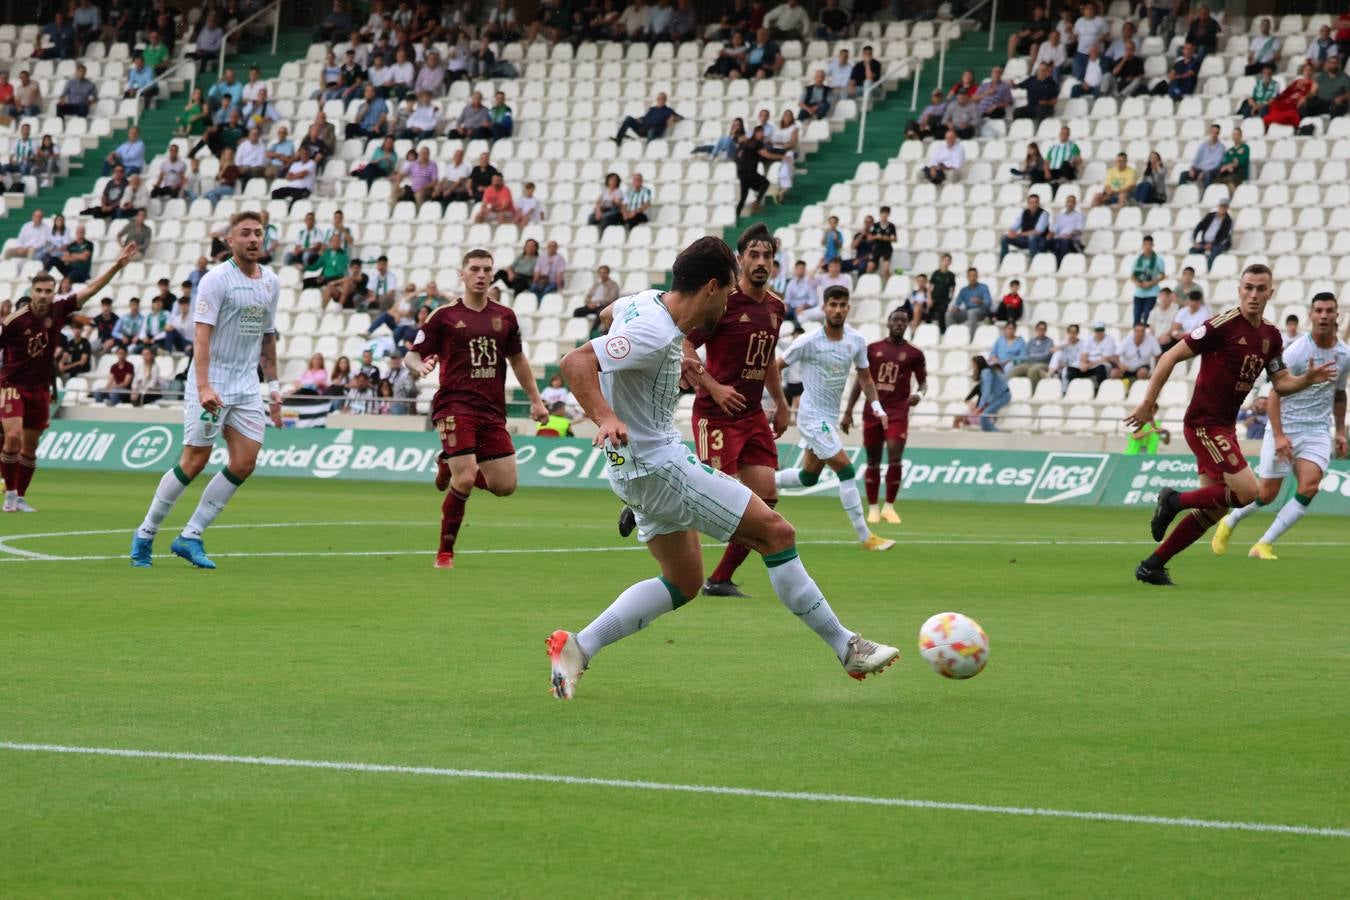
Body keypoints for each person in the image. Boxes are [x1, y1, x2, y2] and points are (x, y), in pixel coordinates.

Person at [545, 237, 900, 700]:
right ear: (711, 287)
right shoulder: (654, 328)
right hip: (660, 465)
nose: (730, 301)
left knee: (684, 580)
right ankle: (846, 645)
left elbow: (610, 315)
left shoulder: (645, 303)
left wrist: (671, 365)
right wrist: (607, 416)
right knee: (776, 533)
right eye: (728, 291)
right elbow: (576, 362)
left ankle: (577, 647)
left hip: (630, 470)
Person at [1126, 264, 1338, 586]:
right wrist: (1147, 403)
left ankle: (1153, 565)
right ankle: (1172, 500)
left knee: (1213, 510)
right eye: (1248, 287)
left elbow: (1281, 383)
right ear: (1239, 290)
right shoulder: (1220, 326)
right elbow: (1170, 357)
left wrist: (1306, 379)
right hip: (1202, 423)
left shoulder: (1271, 336)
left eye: (1260, 289)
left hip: (1223, 427)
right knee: (1248, 492)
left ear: (1271, 292)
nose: (1253, 295)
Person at [128, 213, 282, 568]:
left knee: (245, 462)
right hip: (211, 380)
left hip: (246, 384)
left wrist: (274, 388)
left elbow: (268, 336)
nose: (253, 239)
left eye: (258, 233)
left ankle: (190, 535)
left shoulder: (271, 282)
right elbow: (201, 337)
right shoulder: (216, 280)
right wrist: (203, 387)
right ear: (230, 240)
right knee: (194, 461)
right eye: (245, 233)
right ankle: (146, 533)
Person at [404, 249, 549, 569]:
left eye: (486, 269)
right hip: (454, 405)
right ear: (463, 274)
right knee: (467, 478)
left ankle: (448, 462)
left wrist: (536, 400)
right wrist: (419, 368)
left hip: (491, 410)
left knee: (505, 486)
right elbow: (412, 354)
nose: (481, 274)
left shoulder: (506, 317)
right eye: (475, 269)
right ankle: (445, 553)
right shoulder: (443, 316)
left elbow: (518, 361)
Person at [677, 224, 790, 596]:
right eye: (753, 255)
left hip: (754, 414)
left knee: (766, 499)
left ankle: (720, 579)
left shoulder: (777, 307)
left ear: (774, 261)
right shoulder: (721, 303)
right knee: (716, 501)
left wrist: (782, 402)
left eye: (767, 256)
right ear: (740, 260)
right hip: (716, 414)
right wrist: (713, 387)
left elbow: (769, 358)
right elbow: (687, 348)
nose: (761, 262)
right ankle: (652, 506)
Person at [1, 245, 137, 512]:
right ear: (31, 292)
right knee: (13, 437)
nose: (43, 296)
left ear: (54, 293)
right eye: (38, 291)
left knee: (30, 448)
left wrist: (117, 266)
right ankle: (10, 493)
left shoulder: (60, 309)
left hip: (40, 389)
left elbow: (92, 289)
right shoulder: (16, 320)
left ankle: (20, 498)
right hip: (13, 386)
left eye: (48, 291)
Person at [1213, 294, 1349, 560]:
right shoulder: (1297, 351)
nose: (1323, 316)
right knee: (1266, 495)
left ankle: (1264, 543)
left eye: (1329, 311)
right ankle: (1229, 522)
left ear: (1336, 316)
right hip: (1284, 426)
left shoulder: (1344, 355)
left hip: (1317, 430)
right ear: (1311, 315)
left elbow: (1340, 394)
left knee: (1309, 486)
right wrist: (1278, 436)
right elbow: (1275, 394)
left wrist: (1341, 432)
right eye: (1318, 311)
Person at [773, 286, 894, 552]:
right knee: (847, 470)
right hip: (811, 417)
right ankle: (866, 537)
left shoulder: (856, 340)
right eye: (833, 305)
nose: (837, 310)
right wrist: (779, 403)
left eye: (842, 305)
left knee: (808, 477)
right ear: (824, 307)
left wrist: (876, 406)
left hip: (829, 417)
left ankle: (763, 481)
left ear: (848, 307)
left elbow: (865, 376)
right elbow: (776, 366)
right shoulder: (808, 341)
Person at [842, 308, 926, 525]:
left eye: (903, 320)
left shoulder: (915, 354)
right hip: (873, 412)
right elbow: (860, 381)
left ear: (907, 325)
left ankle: (889, 506)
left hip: (898, 412)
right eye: (895, 320)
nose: (899, 323)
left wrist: (919, 394)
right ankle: (873, 508)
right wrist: (849, 411)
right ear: (888, 323)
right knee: (873, 460)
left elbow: (923, 383)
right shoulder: (872, 349)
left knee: (895, 457)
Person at [1131, 235, 1166, 325]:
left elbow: (1162, 275)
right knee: (1136, 319)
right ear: (1142, 245)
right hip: (1139, 293)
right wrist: (1137, 283)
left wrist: (1151, 283)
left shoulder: (1158, 259)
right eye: (1145, 244)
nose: (1147, 247)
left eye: (1149, 244)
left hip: (1152, 293)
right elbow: (1132, 276)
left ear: (1152, 245)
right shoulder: (1137, 259)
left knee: (1148, 317)